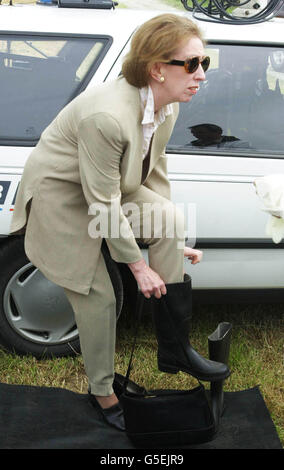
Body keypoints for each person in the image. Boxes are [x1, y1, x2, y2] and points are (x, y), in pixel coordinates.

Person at [10, 14, 230, 431]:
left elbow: (155, 172)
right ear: (156, 69)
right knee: (100, 298)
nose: (201, 74)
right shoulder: (107, 117)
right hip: (64, 196)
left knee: (169, 217)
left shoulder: (165, 105)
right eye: (191, 64)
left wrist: (164, 237)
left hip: (104, 186)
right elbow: (102, 202)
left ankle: (174, 348)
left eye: (206, 62)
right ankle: (102, 391)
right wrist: (138, 264)